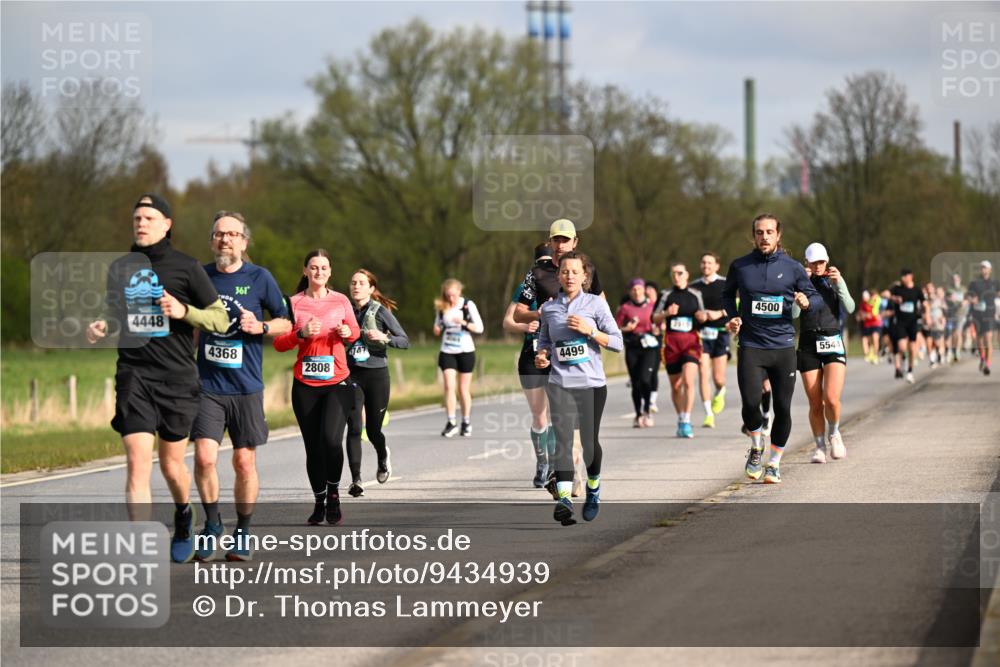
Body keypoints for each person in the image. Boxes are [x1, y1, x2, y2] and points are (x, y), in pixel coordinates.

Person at [86, 194, 230, 563]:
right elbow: (118, 313)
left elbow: (220, 319)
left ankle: (183, 515)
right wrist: (104, 324)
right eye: (137, 218)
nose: (141, 223)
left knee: (170, 465)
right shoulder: (120, 268)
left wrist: (184, 311)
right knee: (137, 462)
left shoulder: (187, 267)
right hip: (134, 374)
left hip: (177, 378)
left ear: (167, 225)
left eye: (149, 218)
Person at [189, 211, 291, 562]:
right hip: (207, 385)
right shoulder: (200, 276)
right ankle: (212, 524)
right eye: (219, 234)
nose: (225, 239)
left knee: (244, 462)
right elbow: (190, 324)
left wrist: (261, 327)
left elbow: (286, 322)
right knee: (204, 458)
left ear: (244, 242)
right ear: (211, 241)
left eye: (232, 234)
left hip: (246, 386)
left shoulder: (260, 278)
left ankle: (243, 531)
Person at [723, 214, 821, 484]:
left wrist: (806, 301)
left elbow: (813, 296)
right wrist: (732, 316)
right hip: (751, 345)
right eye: (759, 232)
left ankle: (774, 463)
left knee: (783, 408)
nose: (764, 237)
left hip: (783, 348)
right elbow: (727, 294)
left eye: (769, 232)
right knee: (750, 403)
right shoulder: (740, 266)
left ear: (778, 235)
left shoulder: (793, 268)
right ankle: (757, 446)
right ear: (753, 235)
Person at [513, 219, 605, 498]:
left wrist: (592, 331)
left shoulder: (585, 271)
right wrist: (540, 313)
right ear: (551, 242)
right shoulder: (537, 273)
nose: (561, 244)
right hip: (543, 352)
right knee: (551, 419)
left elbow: (603, 309)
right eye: (557, 239)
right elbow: (518, 313)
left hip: (576, 359)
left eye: (566, 239)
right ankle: (557, 469)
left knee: (570, 422)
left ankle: (571, 474)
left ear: (575, 242)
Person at [534, 252, 623, 526]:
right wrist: (542, 355)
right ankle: (564, 500)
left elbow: (617, 342)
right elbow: (544, 341)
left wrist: (590, 331)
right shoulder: (549, 309)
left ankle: (594, 489)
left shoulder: (596, 304)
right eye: (565, 271)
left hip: (591, 385)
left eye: (575, 272)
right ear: (558, 276)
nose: (569, 276)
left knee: (589, 443)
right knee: (561, 441)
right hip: (559, 384)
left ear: (585, 276)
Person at [274, 250, 360, 525]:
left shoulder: (341, 300)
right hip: (305, 385)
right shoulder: (293, 303)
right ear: (305, 271)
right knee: (313, 447)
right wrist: (300, 334)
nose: (319, 272)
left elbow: (355, 332)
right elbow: (278, 343)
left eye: (323, 267)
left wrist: (348, 333)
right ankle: (319, 501)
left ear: (330, 272)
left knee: (331, 441)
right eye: (313, 267)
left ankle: (333, 494)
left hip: (337, 382)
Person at [345, 269, 410, 497]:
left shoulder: (380, 311)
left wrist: (385, 337)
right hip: (351, 374)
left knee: (373, 430)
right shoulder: (344, 310)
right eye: (353, 282)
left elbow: (405, 341)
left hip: (377, 375)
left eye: (361, 283)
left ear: (371, 288)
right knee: (354, 427)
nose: (356, 286)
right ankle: (356, 480)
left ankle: (383, 456)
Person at [794, 243, 854, 463]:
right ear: (806, 263)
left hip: (831, 340)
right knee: (815, 402)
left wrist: (840, 284)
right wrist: (799, 296)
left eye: (821, 262)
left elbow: (850, 307)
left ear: (826, 261)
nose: (818, 266)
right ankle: (819, 447)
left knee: (831, 398)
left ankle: (835, 433)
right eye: (813, 262)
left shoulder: (834, 280)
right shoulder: (800, 282)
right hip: (808, 343)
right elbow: (792, 314)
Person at [503, 243, 555, 487]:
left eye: (548, 263)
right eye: (540, 263)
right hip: (530, 355)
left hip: (557, 355)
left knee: (557, 414)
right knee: (539, 415)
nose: (544, 268)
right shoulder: (527, 286)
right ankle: (542, 462)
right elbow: (507, 322)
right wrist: (525, 325)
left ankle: (555, 464)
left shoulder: (564, 284)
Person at [653, 263, 707, 438]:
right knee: (676, 386)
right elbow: (654, 318)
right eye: (674, 273)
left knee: (688, 382)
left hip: (691, 342)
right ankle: (681, 418)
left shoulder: (696, 294)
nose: (676, 276)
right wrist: (666, 314)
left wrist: (702, 317)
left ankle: (686, 420)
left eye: (680, 273)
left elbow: (703, 315)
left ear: (687, 275)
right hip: (671, 343)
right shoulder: (665, 295)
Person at [434, 279, 484, 436]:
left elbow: (480, 328)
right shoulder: (442, 306)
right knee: (449, 386)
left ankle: (466, 422)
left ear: (459, 292)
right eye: (448, 295)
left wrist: (464, 322)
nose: (451, 299)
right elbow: (437, 325)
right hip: (447, 350)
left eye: (453, 295)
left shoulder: (468, 305)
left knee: (463, 389)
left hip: (465, 350)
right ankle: (451, 422)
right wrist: (437, 328)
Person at [690, 252, 729, 428]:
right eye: (703, 262)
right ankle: (708, 414)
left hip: (720, 333)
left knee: (718, 378)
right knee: (703, 373)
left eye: (710, 263)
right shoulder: (693, 287)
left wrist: (719, 313)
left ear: (717, 266)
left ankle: (720, 390)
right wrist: (697, 315)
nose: (706, 265)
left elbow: (737, 305)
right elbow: (689, 308)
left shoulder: (725, 283)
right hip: (701, 336)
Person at [616, 278, 658, 428]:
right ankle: (638, 414)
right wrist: (627, 328)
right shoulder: (625, 308)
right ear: (630, 292)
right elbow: (615, 328)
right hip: (632, 346)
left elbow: (660, 323)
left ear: (644, 290)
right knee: (636, 382)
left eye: (639, 289)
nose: (637, 292)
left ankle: (647, 410)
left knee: (645, 380)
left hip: (649, 346)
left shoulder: (653, 306)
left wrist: (658, 328)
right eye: (634, 289)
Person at [889, 269, 926, 384]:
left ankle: (910, 371)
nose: (903, 278)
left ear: (911, 276)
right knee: (902, 347)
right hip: (900, 322)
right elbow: (885, 294)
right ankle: (903, 361)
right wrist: (895, 298)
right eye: (902, 276)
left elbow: (924, 302)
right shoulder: (897, 288)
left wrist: (927, 314)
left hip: (912, 322)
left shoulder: (917, 290)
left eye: (905, 276)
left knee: (912, 348)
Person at [968, 260, 999, 375]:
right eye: (982, 268)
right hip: (978, 314)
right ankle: (982, 358)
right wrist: (972, 299)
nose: (983, 270)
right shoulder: (975, 283)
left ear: (990, 270)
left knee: (988, 339)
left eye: (985, 268)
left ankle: (987, 365)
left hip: (990, 314)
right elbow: (969, 296)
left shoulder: (995, 283)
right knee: (979, 341)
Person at [644, 281, 663, 413]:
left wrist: (661, 328)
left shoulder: (662, 304)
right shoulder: (644, 305)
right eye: (646, 289)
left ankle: (652, 400)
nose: (648, 291)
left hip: (658, 339)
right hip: (645, 339)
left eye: (650, 289)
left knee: (654, 369)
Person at [858, 289, 882, 364]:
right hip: (867, 324)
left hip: (876, 323)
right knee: (868, 340)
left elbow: (881, 309)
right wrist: (865, 315)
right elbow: (860, 313)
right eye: (863, 297)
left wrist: (880, 315)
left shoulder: (876, 300)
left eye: (865, 297)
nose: (864, 298)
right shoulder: (863, 304)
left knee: (875, 338)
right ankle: (869, 354)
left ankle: (875, 355)